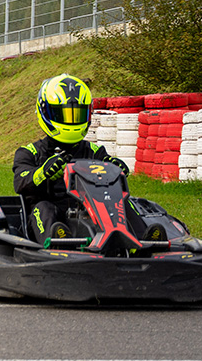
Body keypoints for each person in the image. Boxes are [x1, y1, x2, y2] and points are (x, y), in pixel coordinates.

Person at [13, 74, 130, 242]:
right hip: (48, 216)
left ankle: (142, 239)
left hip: (90, 212)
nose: (72, 121)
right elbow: (20, 181)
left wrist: (114, 170)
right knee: (43, 208)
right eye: (65, 115)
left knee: (123, 204)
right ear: (46, 111)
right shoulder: (29, 152)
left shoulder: (95, 151)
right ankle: (57, 244)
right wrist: (43, 173)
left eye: (77, 114)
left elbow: (111, 185)